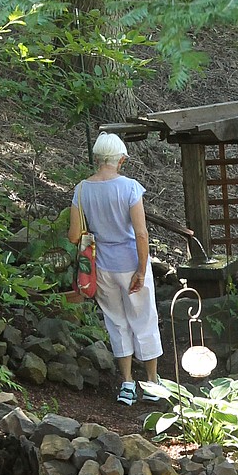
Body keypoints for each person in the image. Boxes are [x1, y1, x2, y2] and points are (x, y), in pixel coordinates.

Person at [69, 132, 166, 406]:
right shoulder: (130, 188)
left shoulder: (81, 189)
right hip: (130, 263)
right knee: (144, 319)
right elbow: (141, 234)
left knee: (116, 322)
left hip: (101, 267)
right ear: (120, 159)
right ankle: (151, 383)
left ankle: (126, 384)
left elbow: (74, 235)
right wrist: (142, 269)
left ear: (98, 158)